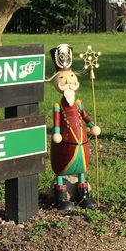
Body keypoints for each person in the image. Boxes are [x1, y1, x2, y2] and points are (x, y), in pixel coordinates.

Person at [49, 44, 100, 212]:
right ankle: (61, 197)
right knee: (61, 167)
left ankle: (83, 195)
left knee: (81, 167)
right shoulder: (58, 106)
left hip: (81, 142)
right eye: (63, 79)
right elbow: (57, 122)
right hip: (65, 142)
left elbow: (85, 116)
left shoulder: (78, 103)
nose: (69, 81)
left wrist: (92, 126)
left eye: (71, 77)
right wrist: (56, 133)